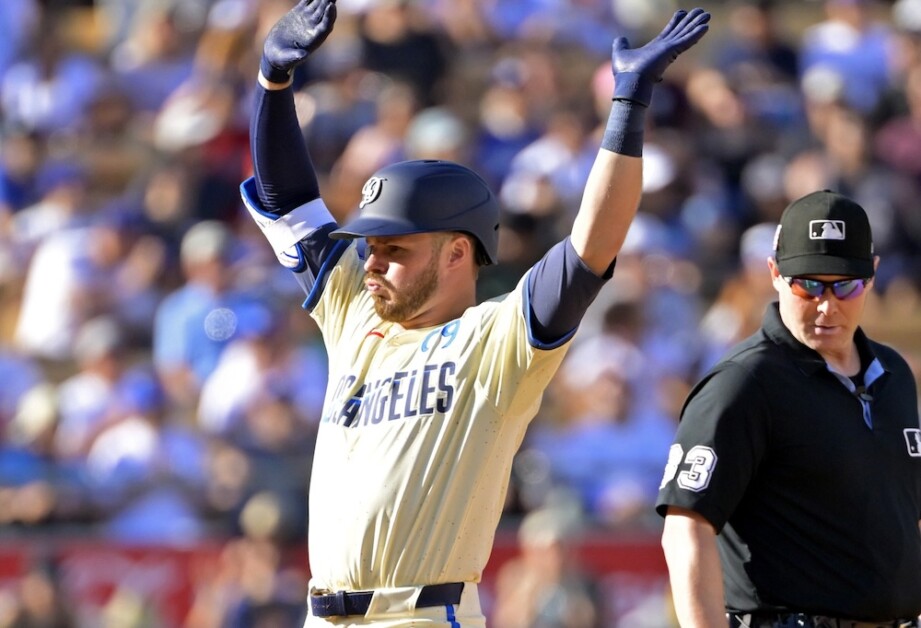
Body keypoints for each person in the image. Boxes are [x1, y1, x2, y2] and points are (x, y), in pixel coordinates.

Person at [242, 0, 709, 625]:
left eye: (394, 248)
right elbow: (289, 201)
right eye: (371, 247)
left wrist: (627, 108)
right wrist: (273, 82)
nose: (372, 263)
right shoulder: (355, 313)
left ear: (458, 251)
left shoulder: (496, 339)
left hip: (424, 615)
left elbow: (591, 247)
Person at [656, 190, 921, 628]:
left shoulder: (893, 373)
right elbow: (687, 526)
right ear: (775, 273)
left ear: (872, 276)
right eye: (808, 284)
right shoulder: (743, 383)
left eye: (845, 286)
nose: (826, 304)